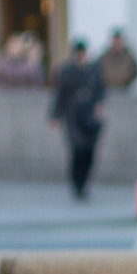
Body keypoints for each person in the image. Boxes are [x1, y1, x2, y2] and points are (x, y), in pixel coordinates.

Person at [48, 40, 105, 199]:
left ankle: (85, 181)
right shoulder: (67, 71)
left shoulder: (93, 70)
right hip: (73, 116)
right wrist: (54, 117)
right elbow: (60, 95)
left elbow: (100, 89)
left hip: (90, 116)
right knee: (77, 149)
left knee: (89, 151)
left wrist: (100, 105)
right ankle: (77, 184)